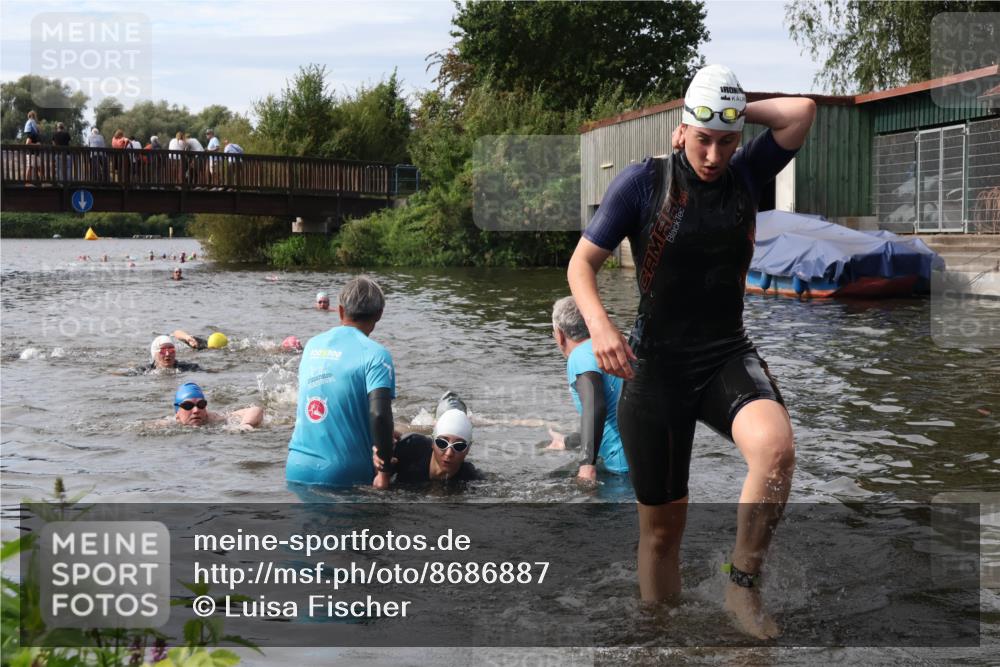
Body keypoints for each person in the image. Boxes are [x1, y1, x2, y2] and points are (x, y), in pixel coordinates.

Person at [566, 64, 815, 639]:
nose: (713, 153)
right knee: (661, 533)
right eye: (703, 138)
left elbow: (801, 112)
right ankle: (658, 638)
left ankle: (741, 587)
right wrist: (601, 328)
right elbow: (581, 264)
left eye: (725, 140)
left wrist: (730, 108)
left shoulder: (747, 173)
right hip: (655, 369)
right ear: (681, 131)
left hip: (724, 354)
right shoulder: (641, 183)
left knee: (775, 450)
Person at [285, 276, 396, 490]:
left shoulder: (312, 345)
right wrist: (383, 472)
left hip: (296, 467)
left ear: (340, 310)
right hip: (344, 474)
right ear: (379, 314)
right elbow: (380, 415)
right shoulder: (376, 355)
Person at [548, 296, 628, 481]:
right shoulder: (614, 348)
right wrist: (568, 441)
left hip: (621, 468)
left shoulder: (580, 356)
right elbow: (611, 414)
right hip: (651, 456)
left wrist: (586, 464)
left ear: (559, 334)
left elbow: (596, 406)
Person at [374, 392, 482, 484]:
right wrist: (379, 463)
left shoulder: (469, 477)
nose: (449, 453)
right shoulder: (409, 449)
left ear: (468, 449)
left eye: (459, 446)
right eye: (442, 443)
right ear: (433, 442)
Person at [167, 382, 263, 429]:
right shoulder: (168, 425)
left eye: (201, 404)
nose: (196, 410)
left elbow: (256, 409)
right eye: (188, 406)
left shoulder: (214, 418)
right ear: (177, 413)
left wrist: (246, 425)